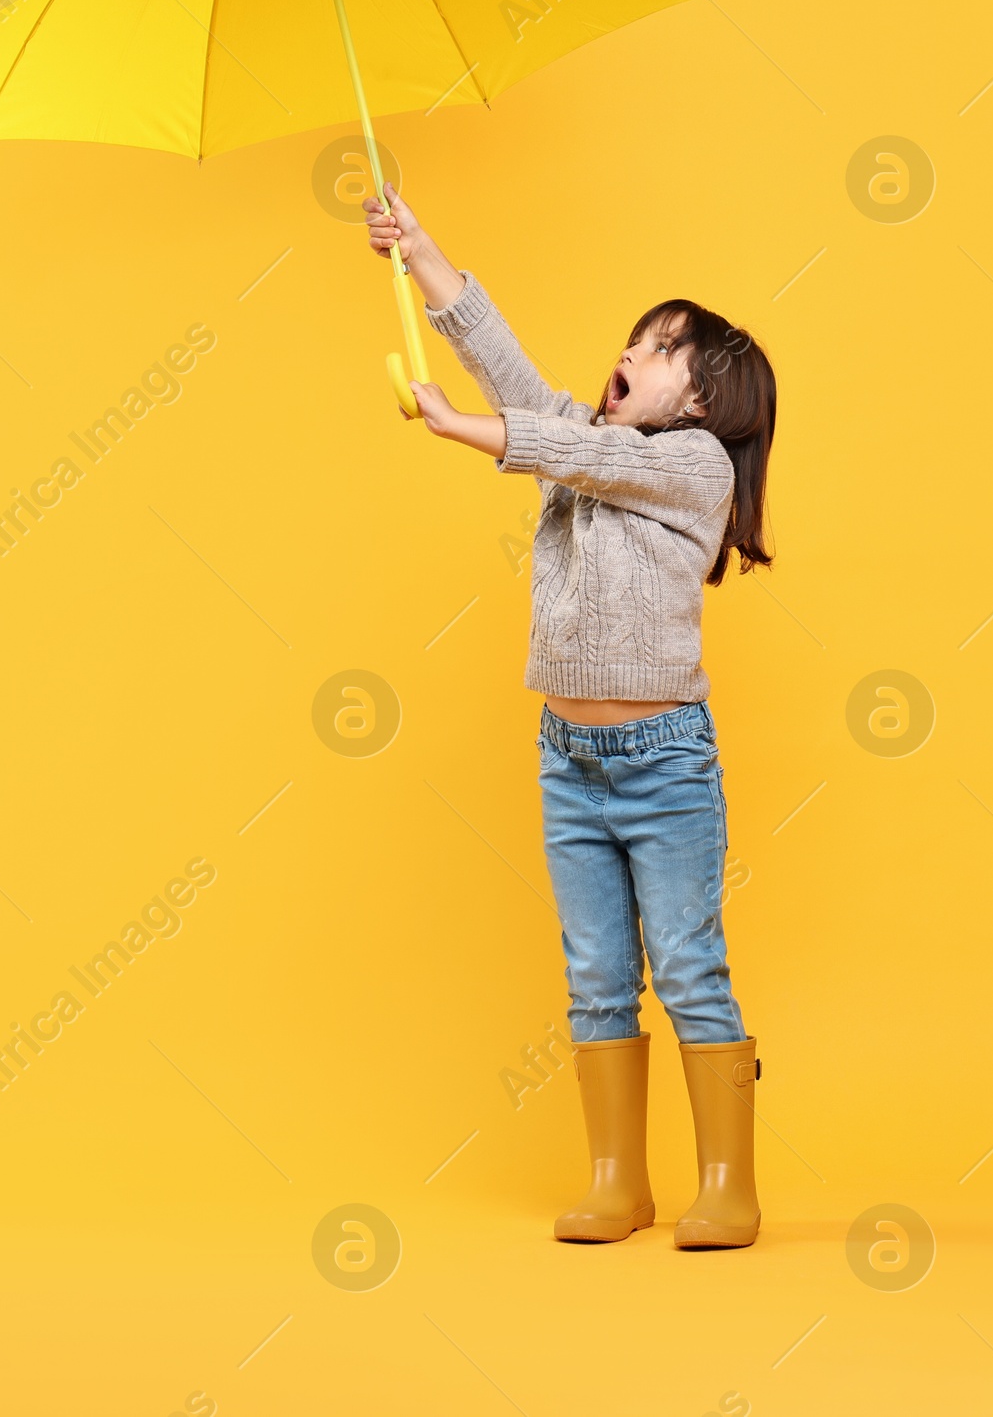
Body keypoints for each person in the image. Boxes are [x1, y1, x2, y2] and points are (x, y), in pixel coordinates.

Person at [364, 182, 778, 1249]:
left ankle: (726, 1181)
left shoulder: (687, 468)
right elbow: (504, 364)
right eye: (634, 336)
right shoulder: (591, 436)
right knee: (596, 970)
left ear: (704, 398)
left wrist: (472, 434)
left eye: (659, 345)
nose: (630, 350)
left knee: (686, 961)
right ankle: (616, 1179)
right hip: (569, 759)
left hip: (664, 761)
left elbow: (586, 454)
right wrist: (421, 252)